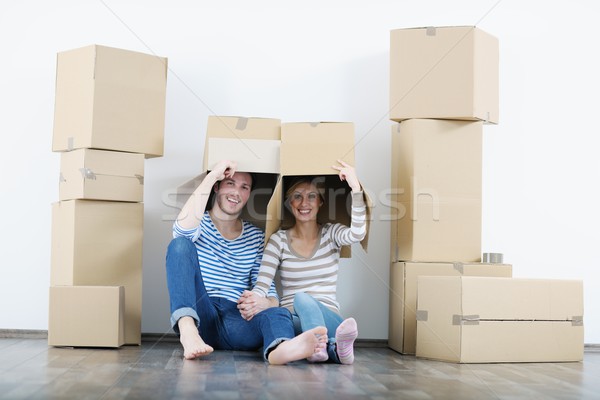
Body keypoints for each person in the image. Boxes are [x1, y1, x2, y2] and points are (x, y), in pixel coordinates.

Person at [165, 159, 327, 364]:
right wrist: (213, 175)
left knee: (278, 312)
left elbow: (271, 294)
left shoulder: (256, 236)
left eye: (244, 187)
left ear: (249, 194)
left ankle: (280, 349)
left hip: (238, 319)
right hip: (202, 313)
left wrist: (263, 303)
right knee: (179, 245)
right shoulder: (197, 223)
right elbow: (180, 233)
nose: (236, 193)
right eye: (230, 184)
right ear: (217, 187)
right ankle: (187, 332)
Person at [242, 160, 367, 364]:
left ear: (321, 202)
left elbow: (358, 233)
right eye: (297, 197)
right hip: (294, 320)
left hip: (329, 316)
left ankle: (318, 347)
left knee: (309, 301)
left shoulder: (331, 233)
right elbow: (262, 285)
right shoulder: (279, 240)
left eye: (311, 196)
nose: (304, 203)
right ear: (289, 202)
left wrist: (355, 188)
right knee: (290, 308)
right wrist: (252, 301)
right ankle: (335, 349)